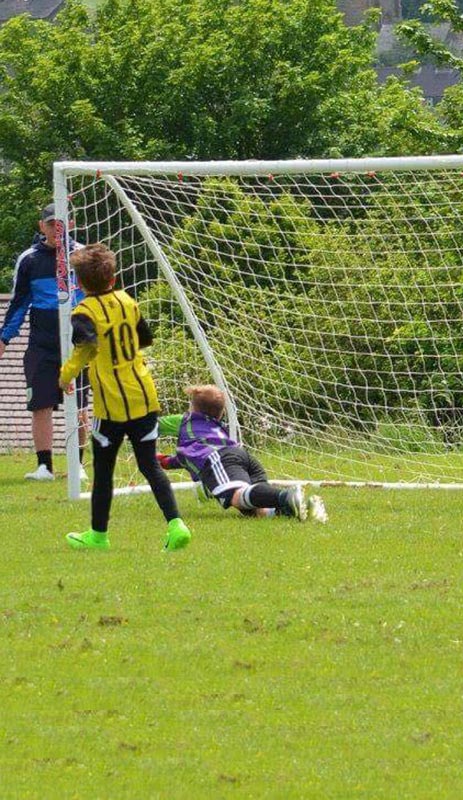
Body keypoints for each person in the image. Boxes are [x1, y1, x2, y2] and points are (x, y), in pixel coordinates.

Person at [58, 243, 191, 551]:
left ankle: (98, 536)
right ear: (113, 278)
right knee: (149, 465)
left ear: (79, 284)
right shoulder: (129, 302)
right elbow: (144, 339)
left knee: (103, 470)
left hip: (111, 406)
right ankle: (176, 524)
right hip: (143, 396)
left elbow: (87, 348)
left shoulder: (82, 312)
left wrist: (66, 376)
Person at [0, 203, 90, 481]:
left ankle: (79, 464)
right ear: (42, 226)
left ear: (71, 224)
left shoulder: (83, 255)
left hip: (77, 340)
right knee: (40, 403)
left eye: (61, 223)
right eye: (50, 224)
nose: (55, 229)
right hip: (42, 340)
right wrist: (4, 338)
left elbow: (94, 298)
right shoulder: (29, 259)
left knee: (80, 404)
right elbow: (19, 303)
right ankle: (44, 466)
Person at [156, 384, 327, 523]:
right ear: (221, 413)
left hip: (220, 458)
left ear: (193, 409)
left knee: (235, 495)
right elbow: (191, 454)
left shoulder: (186, 421)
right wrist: (166, 462)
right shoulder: (213, 427)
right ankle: (301, 509)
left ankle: (286, 496)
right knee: (252, 509)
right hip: (241, 456)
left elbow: (158, 430)